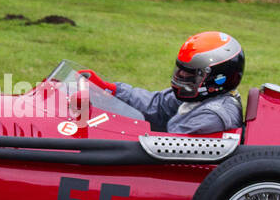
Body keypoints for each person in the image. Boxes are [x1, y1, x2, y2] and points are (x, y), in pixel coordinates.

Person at [79, 31, 245, 135]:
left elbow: (166, 149)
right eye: (180, 68)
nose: (180, 74)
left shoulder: (211, 117)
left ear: (217, 78)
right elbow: (157, 105)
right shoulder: (201, 98)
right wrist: (112, 90)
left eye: (190, 72)